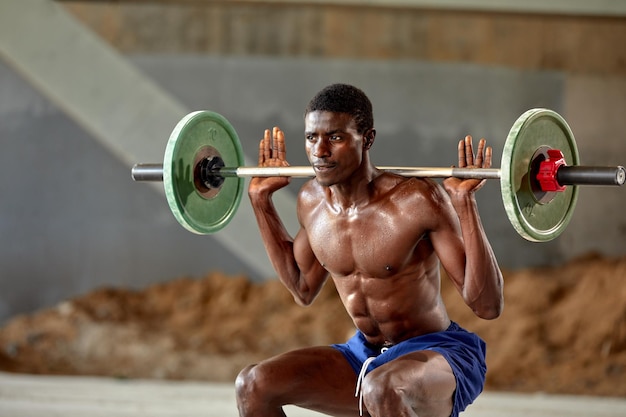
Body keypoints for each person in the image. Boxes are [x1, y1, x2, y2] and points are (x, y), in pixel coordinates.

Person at [236, 83, 504, 417]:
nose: (320, 151)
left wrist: (465, 204)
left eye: (335, 137)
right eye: (311, 138)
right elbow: (302, 287)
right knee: (253, 383)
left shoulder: (415, 201)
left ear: (368, 138)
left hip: (437, 355)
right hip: (366, 356)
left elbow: (487, 305)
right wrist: (260, 203)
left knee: (382, 387)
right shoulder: (311, 203)